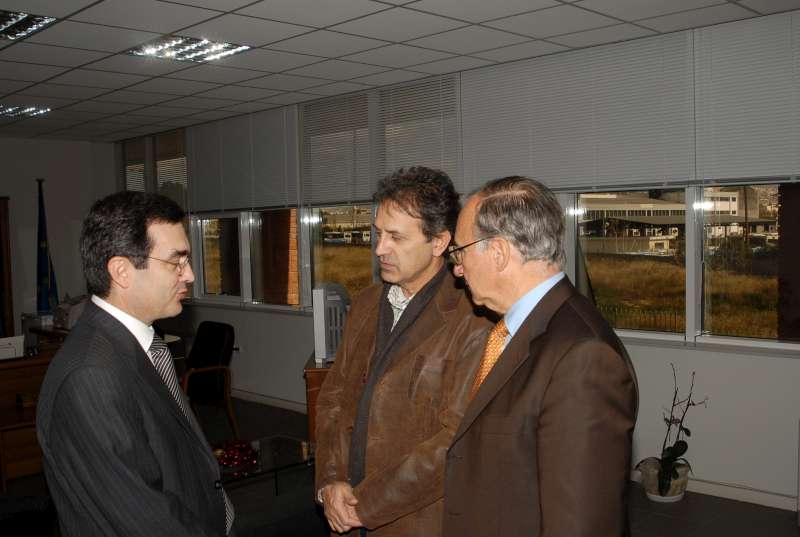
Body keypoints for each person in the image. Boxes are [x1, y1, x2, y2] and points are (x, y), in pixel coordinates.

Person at [443, 176, 638, 537]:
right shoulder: (512, 330)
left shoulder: (583, 357)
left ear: (498, 253)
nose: (457, 268)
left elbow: (580, 525)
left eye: (461, 252)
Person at [36, 192, 234, 537]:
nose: (189, 275)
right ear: (122, 271)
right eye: (177, 261)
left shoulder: (143, 345)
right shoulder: (92, 375)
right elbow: (144, 516)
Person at [315, 167, 490, 536]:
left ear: (440, 242)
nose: (380, 249)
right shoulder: (364, 305)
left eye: (396, 237)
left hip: (412, 522)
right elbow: (332, 399)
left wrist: (366, 505)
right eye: (379, 233)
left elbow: (454, 441)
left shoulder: (473, 319)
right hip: (344, 512)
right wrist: (330, 481)